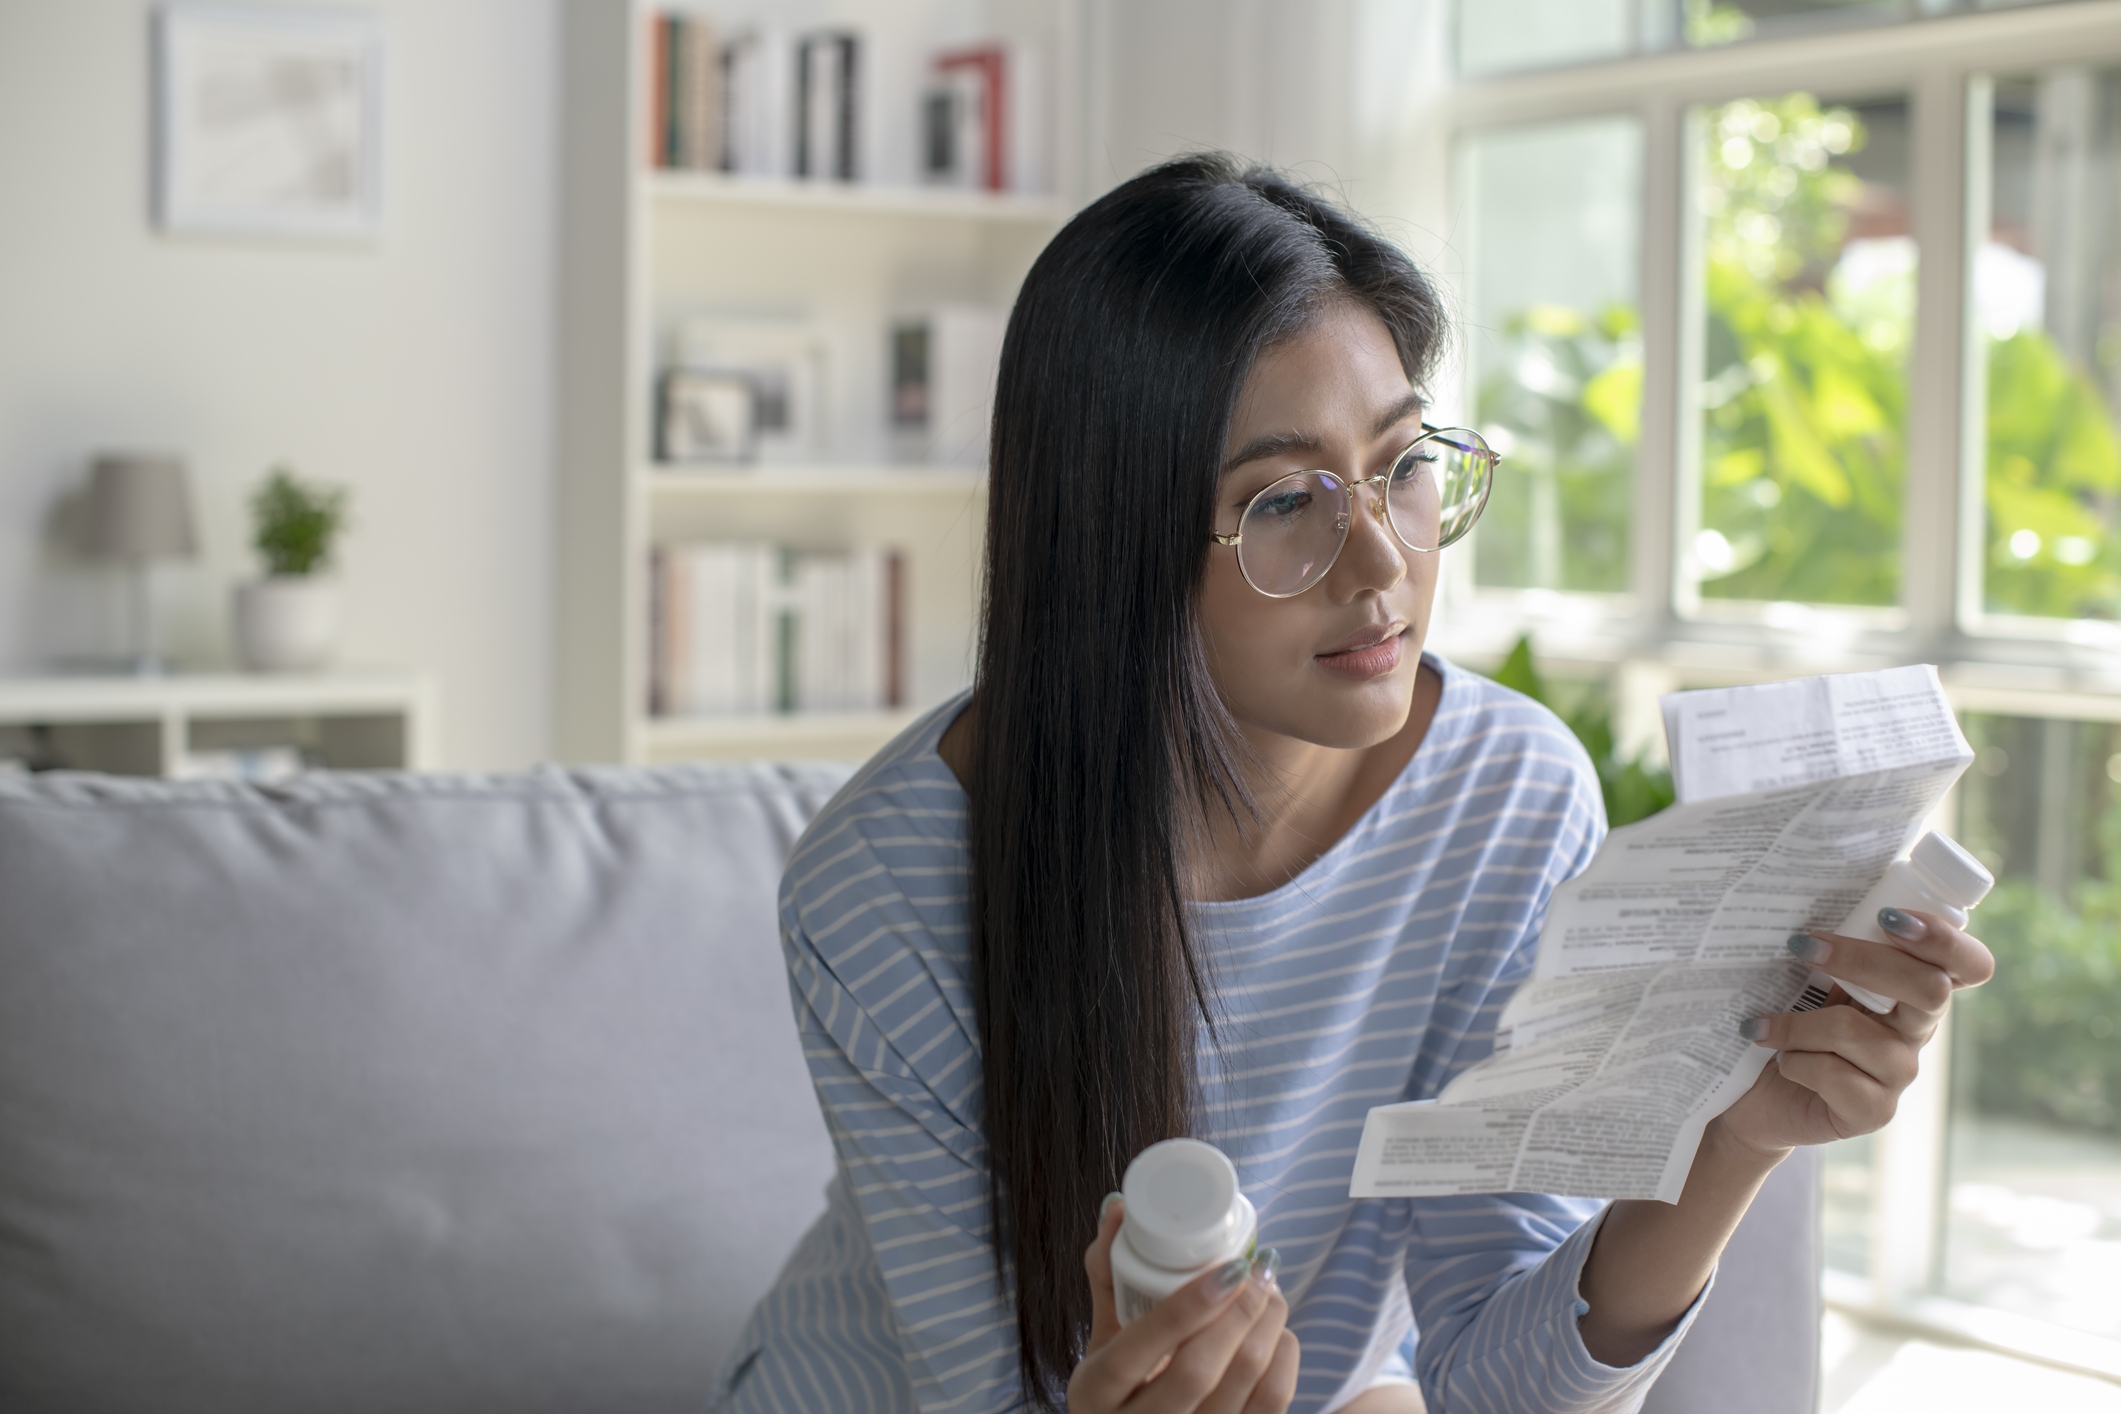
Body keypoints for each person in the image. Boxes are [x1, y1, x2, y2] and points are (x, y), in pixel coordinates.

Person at [711, 155, 1994, 1414]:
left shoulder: (1506, 800)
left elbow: (1498, 1380)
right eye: (1282, 501)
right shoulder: (882, 888)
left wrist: (1739, 1135)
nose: (1380, 562)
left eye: (1400, 464)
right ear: (1113, 544)